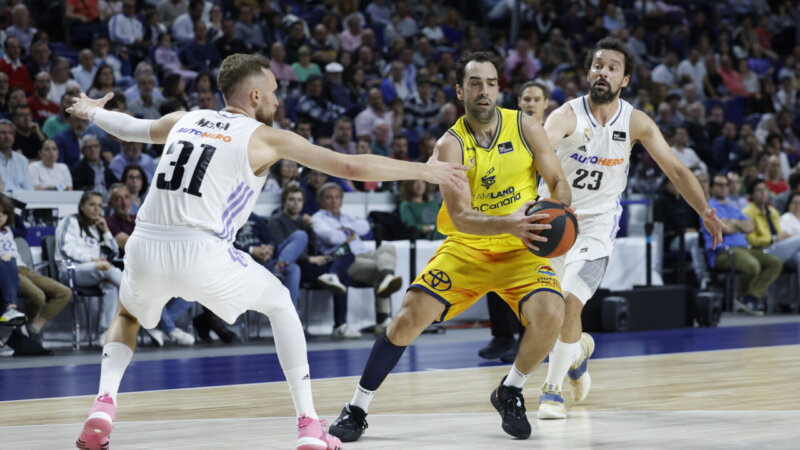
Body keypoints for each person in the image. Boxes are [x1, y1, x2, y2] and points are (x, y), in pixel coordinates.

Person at [67, 53, 466, 450]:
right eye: (273, 92)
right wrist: (425, 171)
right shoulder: (266, 138)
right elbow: (349, 168)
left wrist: (91, 111)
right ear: (255, 95)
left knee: (127, 315)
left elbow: (130, 128)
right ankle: (309, 425)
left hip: (145, 243)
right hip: (202, 249)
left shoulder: (185, 119)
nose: (278, 100)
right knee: (279, 303)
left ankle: (104, 405)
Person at [328, 51, 572, 443]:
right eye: (475, 84)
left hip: (520, 247)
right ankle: (357, 407)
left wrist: (559, 208)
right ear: (460, 91)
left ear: (498, 88)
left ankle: (511, 390)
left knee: (552, 313)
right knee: (407, 318)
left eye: (490, 83)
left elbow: (558, 180)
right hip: (468, 247)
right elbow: (460, 217)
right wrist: (510, 223)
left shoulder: (526, 127)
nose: (484, 91)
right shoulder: (450, 145)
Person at [535, 38, 725, 421]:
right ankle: (577, 352)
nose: (602, 72)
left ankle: (551, 391)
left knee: (569, 304)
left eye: (612, 68)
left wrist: (704, 210)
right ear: (588, 73)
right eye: (597, 66)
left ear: (624, 80)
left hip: (596, 226)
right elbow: (536, 150)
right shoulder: (566, 115)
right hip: (553, 221)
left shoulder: (635, 122)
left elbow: (676, 170)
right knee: (546, 314)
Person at [480, 79, 553, 363]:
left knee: (528, 279)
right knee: (493, 268)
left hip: (543, 213)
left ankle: (526, 340)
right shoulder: (507, 133)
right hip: (509, 211)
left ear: (546, 103)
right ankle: (502, 335)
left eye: (536, 99)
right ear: (519, 103)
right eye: (526, 99)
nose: (531, 104)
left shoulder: (555, 133)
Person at [312, 182, 403, 336]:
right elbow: (331, 237)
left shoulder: (346, 217)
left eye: (337, 197)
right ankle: (383, 319)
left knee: (388, 248)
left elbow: (365, 226)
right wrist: (350, 233)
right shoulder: (317, 218)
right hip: (345, 259)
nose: (334, 201)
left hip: (364, 253)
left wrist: (346, 230)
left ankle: (388, 275)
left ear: (341, 200)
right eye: (329, 198)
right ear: (321, 200)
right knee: (378, 270)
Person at [704, 174, 781, 315]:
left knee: (775, 263)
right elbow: (723, 229)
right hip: (722, 252)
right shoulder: (707, 207)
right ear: (712, 187)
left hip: (744, 249)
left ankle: (750, 298)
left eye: (726, 185)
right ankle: (741, 296)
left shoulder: (732, 208)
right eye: (719, 185)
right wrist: (737, 225)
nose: (723, 188)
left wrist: (732, 222)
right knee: (752, 265)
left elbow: (750, 226)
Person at [55, 191, 123, 344]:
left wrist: (106, 231)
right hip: (70, 270)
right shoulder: (69, 221)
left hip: (95, 271)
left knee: (111, 286)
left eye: (99, 206)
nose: (96, 209)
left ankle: (103, 333)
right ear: (82, 206)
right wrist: (92, 259)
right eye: (92, 204)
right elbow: (65, 248)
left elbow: (114, 253)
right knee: (105, 267)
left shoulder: (96, 227)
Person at [743, 179, 800, 305]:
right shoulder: (748, 212)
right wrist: (773, 239)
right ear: (751, 194)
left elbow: (779, 233)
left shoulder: (773, 212)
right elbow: (750, 239)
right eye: (759, 190)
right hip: (761, 249)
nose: (763, 193)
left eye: (765, 190)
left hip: (778, 248)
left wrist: (781, 237)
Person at [0, 119, 32, 193]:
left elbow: (29, 189)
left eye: (10, 133)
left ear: (14, 137)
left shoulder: (22, 160)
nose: (7, 136)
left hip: (20, 198)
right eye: (3, 133)